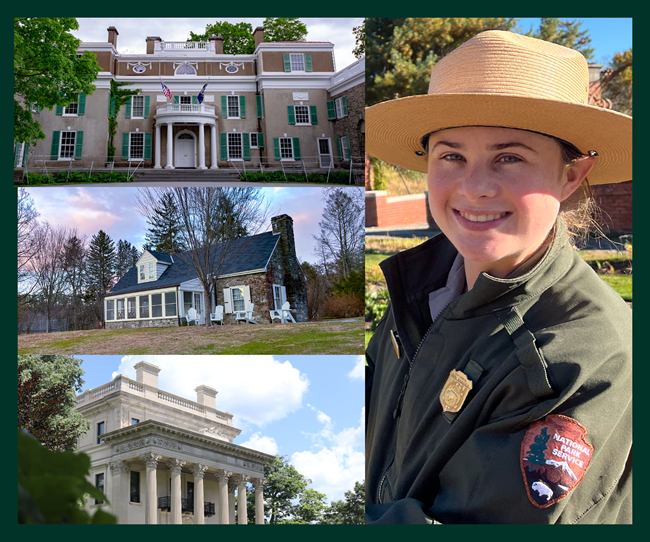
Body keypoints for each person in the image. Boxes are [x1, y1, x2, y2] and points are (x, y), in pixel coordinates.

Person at [365, 30, 632, 524]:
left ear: (571, 174)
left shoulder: (576, 355)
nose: (476, 186)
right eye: (451, 155)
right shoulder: (419, 295)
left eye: (510, 157)